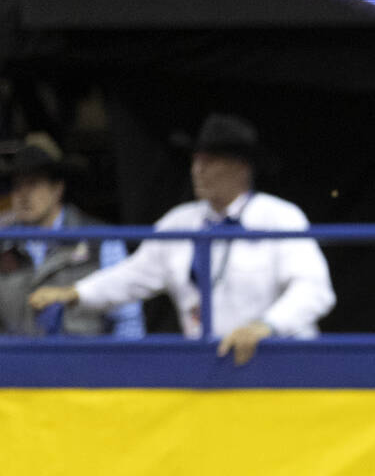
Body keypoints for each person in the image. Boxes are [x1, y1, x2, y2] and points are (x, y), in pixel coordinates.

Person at [28, 114, 335, 364]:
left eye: (210, 161)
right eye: (195, 160)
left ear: (242, 167)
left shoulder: (280, 217)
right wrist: (75, 293)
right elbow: (134, 274)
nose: (197, 170)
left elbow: (314, 289)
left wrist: (265, 327)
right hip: (211, 364)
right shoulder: (180, 222)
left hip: (283, 362)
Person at [0, 134, 144, 337]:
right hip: (18, 365)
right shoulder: (3, 244)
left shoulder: (101, 241)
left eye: (33, 184)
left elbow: (128, 319)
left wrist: (121, 365)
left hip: (87, 363)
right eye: (17, 186)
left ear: (57, 189)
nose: (23, 194)